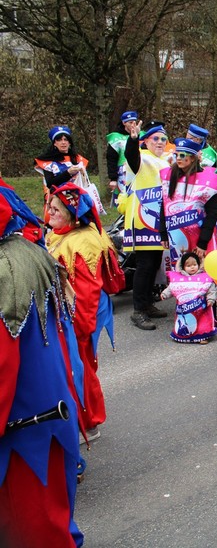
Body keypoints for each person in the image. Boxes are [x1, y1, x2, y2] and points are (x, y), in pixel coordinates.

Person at [0, 179, 84, 547]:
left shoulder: (5, 269)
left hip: (21, 430)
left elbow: (3, 363)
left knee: (32, 528)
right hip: (50, 408)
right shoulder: (29, 251)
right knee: (53, 517)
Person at [46, 183, 125, 443]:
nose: (50, 212)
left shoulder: (82, 242)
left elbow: (87, 291)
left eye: (56, 209)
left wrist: (80, 328)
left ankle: (89, 423)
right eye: (50, 207)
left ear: (71, 213)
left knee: (80, 367)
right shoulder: (60, 233)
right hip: (68, 312)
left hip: (81, 313)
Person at [122, 120, 174, 330]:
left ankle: (147, 303)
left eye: (164, 139)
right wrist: (133, 139)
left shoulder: (165, 161)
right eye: (156, 138)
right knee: (144, 265)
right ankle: (138, 310)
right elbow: (131, 156)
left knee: (154, 264)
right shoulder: (141, 157)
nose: (160, 142)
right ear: (146, 141)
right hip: (142, 220)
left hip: (159, 221)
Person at [158, 138, 217, 265]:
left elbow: (212, 214)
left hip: (200, 237)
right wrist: (163, 234)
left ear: (193, 158)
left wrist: (203, 243)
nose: (178, 159)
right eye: (176, 155)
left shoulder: (208, 181)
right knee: (180, 272)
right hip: (177, 238)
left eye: (182, 155)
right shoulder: (170, 176)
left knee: (201, 271)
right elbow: (164, 206)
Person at [160, 252, 217, 344]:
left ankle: (202, 336)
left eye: (194, 265)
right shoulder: (178, 279)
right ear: (183, 267)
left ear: (199, 264)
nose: (192, 267)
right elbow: (171, 288)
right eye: (188, 266)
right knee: (184, 322)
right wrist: (165, 294)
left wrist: (211, 299)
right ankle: (184, 336)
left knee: (202, 323)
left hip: (201, 307)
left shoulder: (205, 277)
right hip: (184, 308)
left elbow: (211, 289)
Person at [34, 126, 90, 205]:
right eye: (59, 140)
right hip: (57, 200)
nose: (63, 142)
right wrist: (68, 173)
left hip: (79, 199)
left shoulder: (78, 159)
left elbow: (85, 181)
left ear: (69, 142)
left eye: (65, 139)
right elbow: (50, 184)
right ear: (54, 143)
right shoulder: (48, 161)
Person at [105, 110, 138, 201]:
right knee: (124, 200)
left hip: (138, 172)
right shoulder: (116, 138)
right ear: (124, 123)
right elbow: (111, 159)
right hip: (122, 175)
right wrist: (113, 178)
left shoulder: (141, 135)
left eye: (135, 122)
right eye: (130, 122)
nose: (133, 125)